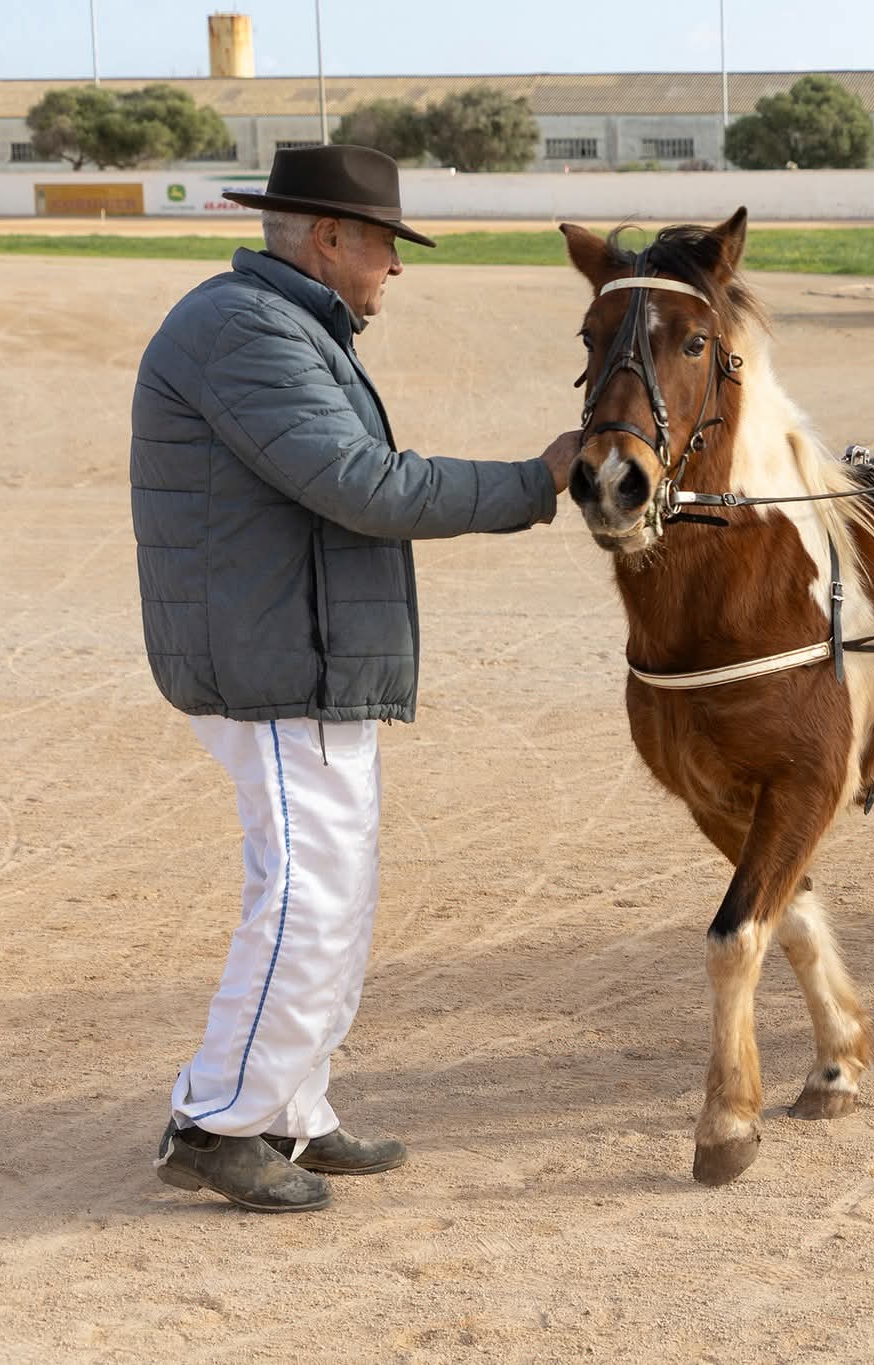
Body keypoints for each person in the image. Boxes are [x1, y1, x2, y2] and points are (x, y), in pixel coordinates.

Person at [130, 144, 583, 1212]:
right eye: (384, 243)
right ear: (328, 238)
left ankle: (288, 1108)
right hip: (277, 660)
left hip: (301, 649)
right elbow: (361, 487)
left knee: (330, 892)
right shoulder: (245, 329)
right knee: (309, 900)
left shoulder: (282, 323)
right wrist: (536, 477)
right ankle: (216, 1123)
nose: (394, 266)